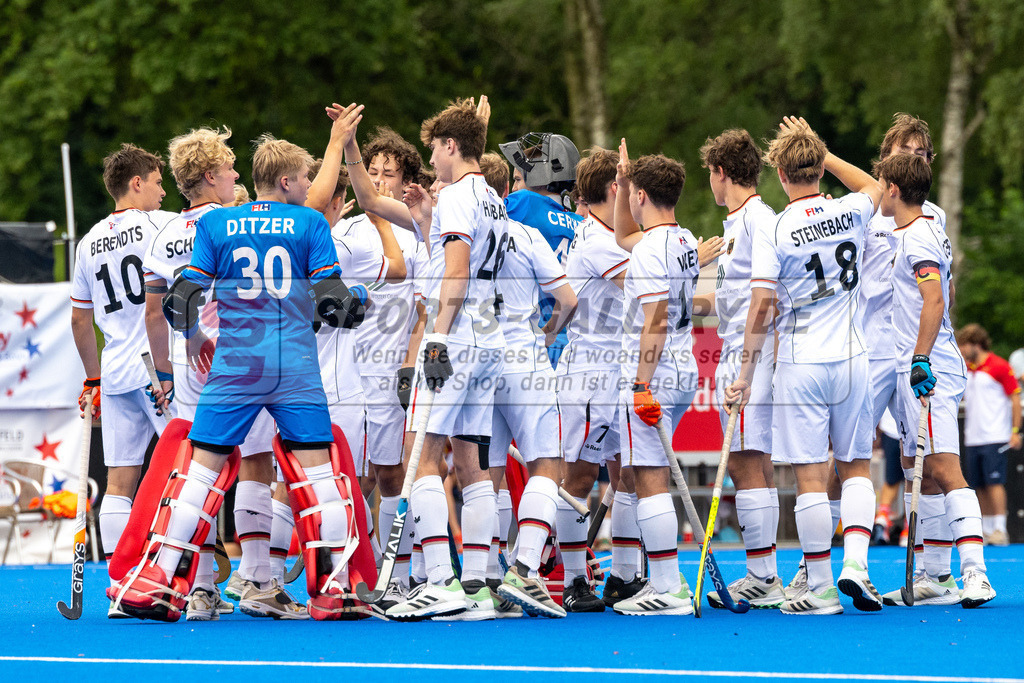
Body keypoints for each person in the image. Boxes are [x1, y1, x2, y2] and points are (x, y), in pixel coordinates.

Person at [111, 131, 371, 622]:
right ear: (288, 181)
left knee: (199, 472)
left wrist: (193, 340)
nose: (312, 184)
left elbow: (179, 300)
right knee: (319, 475)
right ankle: (335, 589)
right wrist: (360, 302)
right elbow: (333, 303)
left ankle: (161, 580)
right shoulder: (310, 223)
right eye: (307, 177)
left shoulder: (218, 224)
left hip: (233, 365)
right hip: (294, 365)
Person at [141, 126, 302, 621]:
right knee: (255, 461)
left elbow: (153, 310)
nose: (238, 176)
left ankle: (203, 587)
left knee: (201, 467)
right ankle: (256, 578)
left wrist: (169, 367)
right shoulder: (237, 220)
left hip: (191, 361)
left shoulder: (166, 231)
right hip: (240, 352)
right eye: (231, 168)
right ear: (210, 176)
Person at [726, 120, 881, 616]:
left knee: (811, 477)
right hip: (855, 357)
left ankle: (819, 586)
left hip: (802, 361)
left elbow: (761, 304)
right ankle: (856, 563)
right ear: (817, 168)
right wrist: (828, 153)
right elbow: (874, 187)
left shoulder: (774, 227)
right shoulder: (849, 209)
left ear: (778, 170)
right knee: (856, 468)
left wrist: (745, 375)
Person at [385, 99, 510, 621]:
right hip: (489, 340)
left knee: (421, 454)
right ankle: (480, 584)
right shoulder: (492, 198)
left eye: (435, 148)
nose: (430, 161)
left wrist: (436, 336)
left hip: (455, 338)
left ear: (450, 146)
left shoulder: (458, 194)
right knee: (471, 464)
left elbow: (454, 272)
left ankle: (440, 581)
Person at [872, 152, 995, 607]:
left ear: (895, 190)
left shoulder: (920, 235)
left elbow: (935, 300)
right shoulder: (913, 231)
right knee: (916, 473)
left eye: (883, 183)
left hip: (929, 367)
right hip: (910, 364)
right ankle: (934, 575)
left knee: (942, 467)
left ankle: (975, 574)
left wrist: (921, 358)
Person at [70, 143, 175, 618]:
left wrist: (91, 377)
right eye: (157, 180)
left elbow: (79, 320)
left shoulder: (88, 241)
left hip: (113, 369)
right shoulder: (164, 224)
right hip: (159, 367)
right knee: (186, 471)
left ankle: (119, 586)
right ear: (137, 183)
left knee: (119, 480)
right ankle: (198, 584)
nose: (163, 189)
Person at [473, 152, 578, 618]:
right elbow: (567, 299)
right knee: (547, 464)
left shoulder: (468, 231)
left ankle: (486, 578)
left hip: (479, 356)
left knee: (488, 473)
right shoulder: (528, 232)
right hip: (523, 354)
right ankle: (525, 569)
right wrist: (549, 332)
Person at [610, 140, 702, 616]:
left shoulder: (651, 251)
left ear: (643, 197)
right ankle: (666, 581)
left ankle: (668, 585)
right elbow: (627, 236)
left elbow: (657, 318)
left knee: (649, 477)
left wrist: (641, 382)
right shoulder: (682, 240)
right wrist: (626, 180)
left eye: (630, 192)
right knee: (652, 472)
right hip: (684, 367)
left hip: (656, 370)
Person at [696, 129, 785, 608]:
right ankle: (765, 571)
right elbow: (728, 297)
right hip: (739, 346)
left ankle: (762, 574)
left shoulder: (757, 219)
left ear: (722, 173)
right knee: (753, 460)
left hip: (751, 353)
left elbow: (762, 299)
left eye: (710, 174)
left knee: (746, 460)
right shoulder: (736, 224)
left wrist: (746, 369)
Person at [554, 147, 640, 609]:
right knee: (581, 476)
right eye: (628, 184)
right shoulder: (595, 240)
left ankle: (623, 576)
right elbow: (648, 287)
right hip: (590, 372)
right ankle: (571, 579)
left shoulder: (612, 234)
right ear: (615, 189)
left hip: (618, 368)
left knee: (628, 471)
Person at [500, 132, 583, 364]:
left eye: (517, 179)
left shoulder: (525, 202)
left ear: (539, 176)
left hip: (541, 336)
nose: (514, 189)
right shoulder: (579, 221)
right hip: (572, 337)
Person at [957, 323, 1022, 546]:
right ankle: (984, 529)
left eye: (964, 345)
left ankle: (1000, 529)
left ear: (976, 344)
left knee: (995, 483)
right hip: (973, 437)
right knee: (978, 484)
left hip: (995, 435)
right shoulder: (968, 369)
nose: (962, 350)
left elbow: (1015, 398)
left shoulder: (999, 366)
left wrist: (1015, 431)